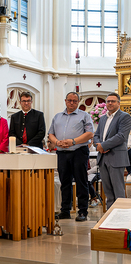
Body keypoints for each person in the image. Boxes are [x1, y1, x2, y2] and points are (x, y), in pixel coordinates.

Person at [48, 92, 94, 221]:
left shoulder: (84, 115)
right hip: (61, 152)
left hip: (78, 151)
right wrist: (57, 142)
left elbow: (90, 133)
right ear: (65, 101)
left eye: (74, 101)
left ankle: (83, 211)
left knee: (81, 181)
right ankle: (65, 210)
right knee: (65, 182)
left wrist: (73, 141)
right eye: (69, 100)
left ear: (78, 102)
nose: (71, 103)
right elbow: (51, 133)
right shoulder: (57, 117)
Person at [93, 93, 131, 209]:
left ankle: (120, 218)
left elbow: (121, 136)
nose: (110, 103)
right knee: (108, 192)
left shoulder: (124, 117)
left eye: (113, 101)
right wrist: (98, 145)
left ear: (119, 103)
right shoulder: (103, 118)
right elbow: (96, 135)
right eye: (108, 101)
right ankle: (110, 217)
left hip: (116, 157)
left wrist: (103, 146)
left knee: (118, 191)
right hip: (103, 158)